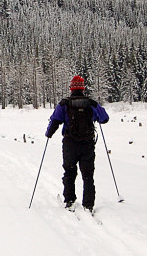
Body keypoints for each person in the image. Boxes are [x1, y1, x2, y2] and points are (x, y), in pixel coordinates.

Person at [45, 75, 109, 212]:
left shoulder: (64, 103)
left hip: (70, 143)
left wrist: (48, 134)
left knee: (69, 172)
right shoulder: (91, 104)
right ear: (83, 87)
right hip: (87, 144)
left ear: (71, 87)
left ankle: (69, 200)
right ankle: (88, 204)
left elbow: (55, 120)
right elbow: (104, 119)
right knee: (88, 175)